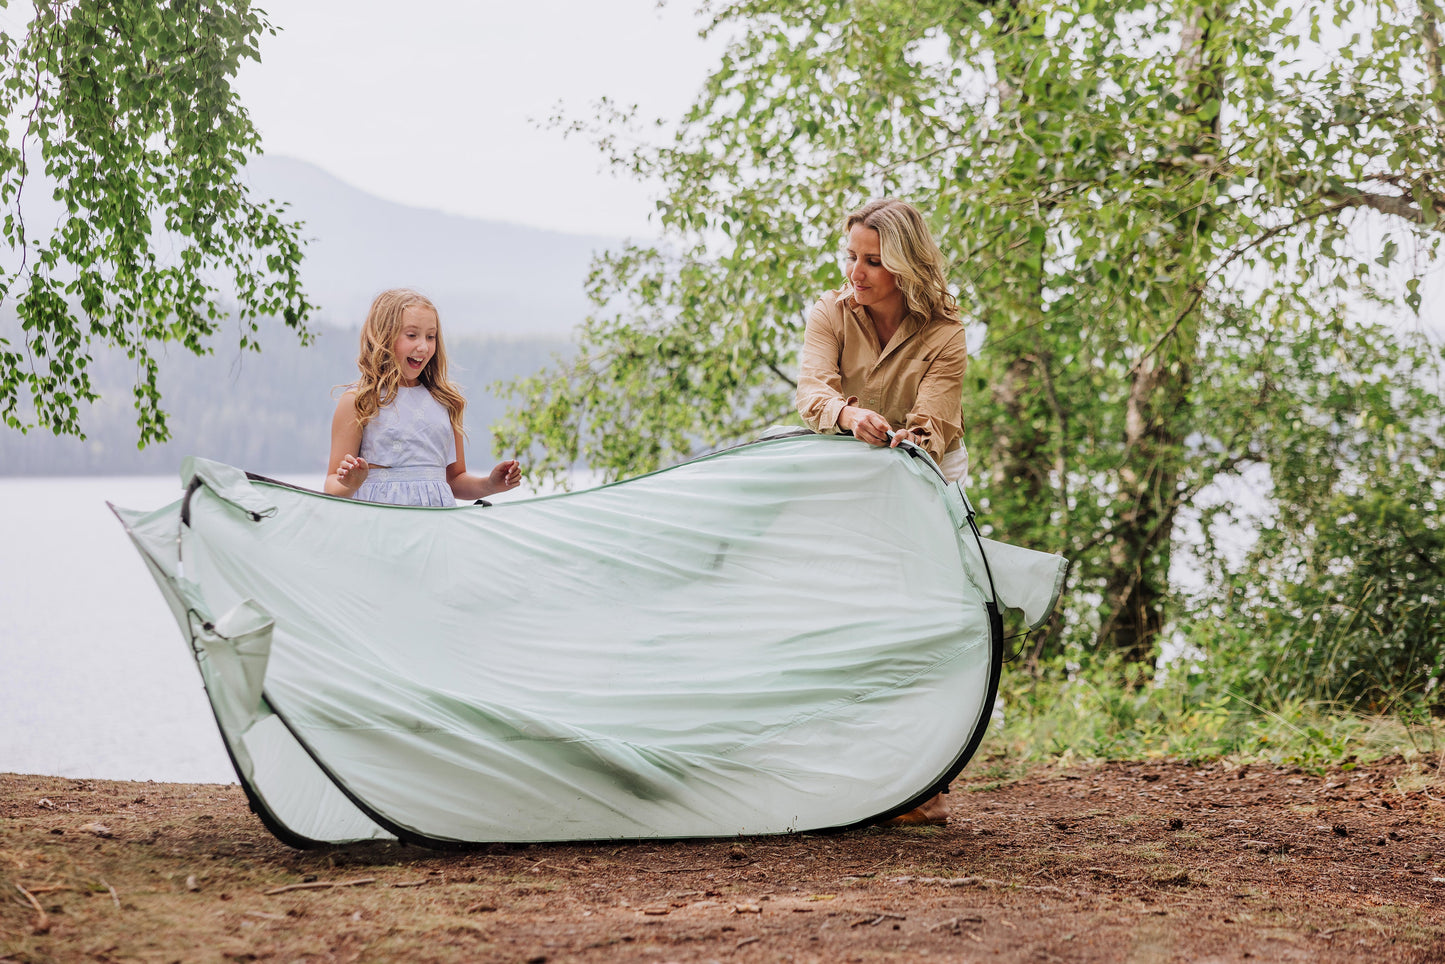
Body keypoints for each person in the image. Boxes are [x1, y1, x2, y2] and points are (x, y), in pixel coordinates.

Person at [794, 198, 969, 826]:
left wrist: (910, 440)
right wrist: (848, 415)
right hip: (850, 478)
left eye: (873, 260)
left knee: (927, 622)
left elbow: (937, 421)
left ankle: (928, 785)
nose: (856, 272)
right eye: (851, 256)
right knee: (845, 617)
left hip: (925, 478)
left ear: (904, 264)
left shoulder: (946, 331)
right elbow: (812, 391)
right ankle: (857, 774)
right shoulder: (830, 314)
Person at [325, 288, 522, 506]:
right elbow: (332, 485)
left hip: (436, 528)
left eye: (431, 337)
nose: (423, 346)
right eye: (411, 335)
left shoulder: (447, 401)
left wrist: (490, 484)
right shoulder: (358, 400)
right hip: (379, 526)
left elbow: (454, 480)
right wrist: (350, 483)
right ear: (384, 335)